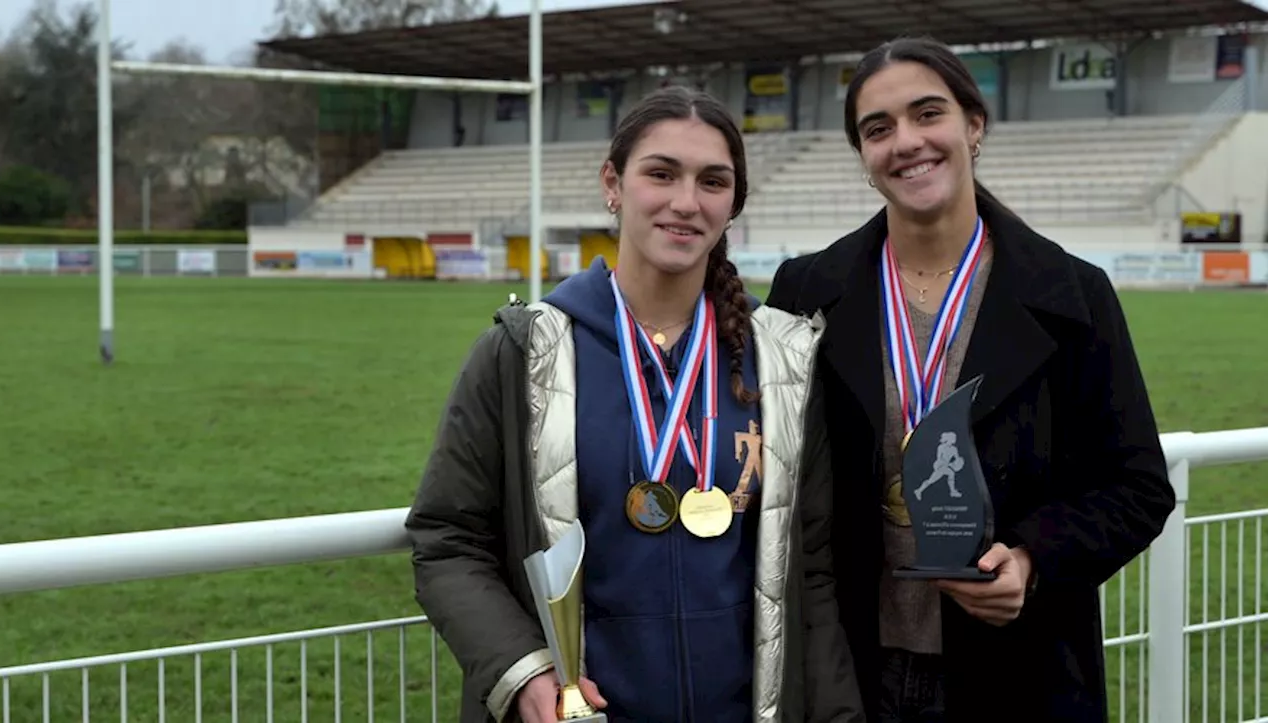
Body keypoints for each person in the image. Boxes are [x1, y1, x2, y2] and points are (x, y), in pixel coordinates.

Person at [406, 85, 867, 723]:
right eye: (661, 173)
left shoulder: (785, 361)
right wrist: (523, 670)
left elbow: (811, 573)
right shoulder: (521, 352)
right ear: (613, 184)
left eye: (712, 181)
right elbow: (448, 539)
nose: (686, 202)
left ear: (733, 203)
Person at [764, 36, 1177, 723]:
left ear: (973, 126)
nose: (906, 141)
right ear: (863, 156)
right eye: (878, 128)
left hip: (1018, 670)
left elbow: (1138, 486)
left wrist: (1032, 556)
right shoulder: (807, 291)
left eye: (928, 114)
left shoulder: (1074, 294)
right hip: (850, 673)